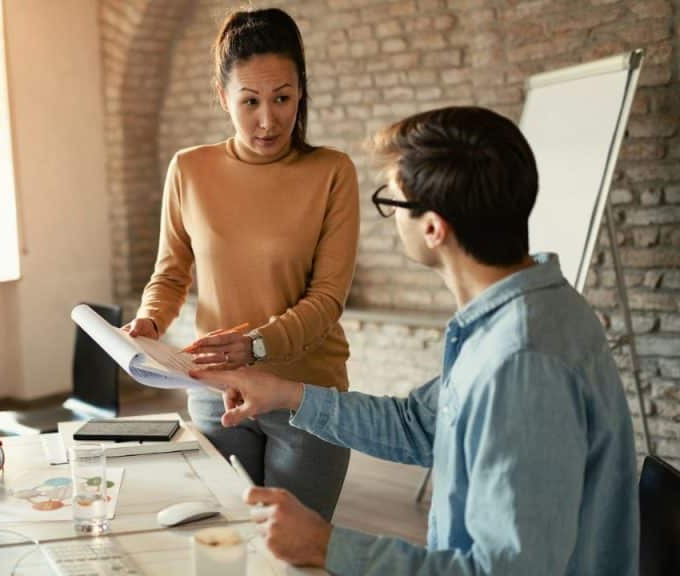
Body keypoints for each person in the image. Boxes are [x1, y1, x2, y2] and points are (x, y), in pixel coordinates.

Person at [193, 106, 639, 575]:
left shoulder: (521, 362)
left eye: (393, 202)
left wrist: (328, 546)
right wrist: (286, 394)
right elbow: (419, 426)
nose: (390, 216)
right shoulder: (517, 314)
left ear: (432, 228)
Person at [121, 8, 359, 520]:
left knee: (294, 554)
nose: (268, 120)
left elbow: (327, 298)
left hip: (306, 398)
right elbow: (170, 272)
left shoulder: (332, 172)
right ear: (223, 96)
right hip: (216, 395)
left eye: (283, 99)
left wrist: (255, 345)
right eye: (250, 101)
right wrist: (149, 321)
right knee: (226, 545)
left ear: (301, 92)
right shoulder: (189, 168)